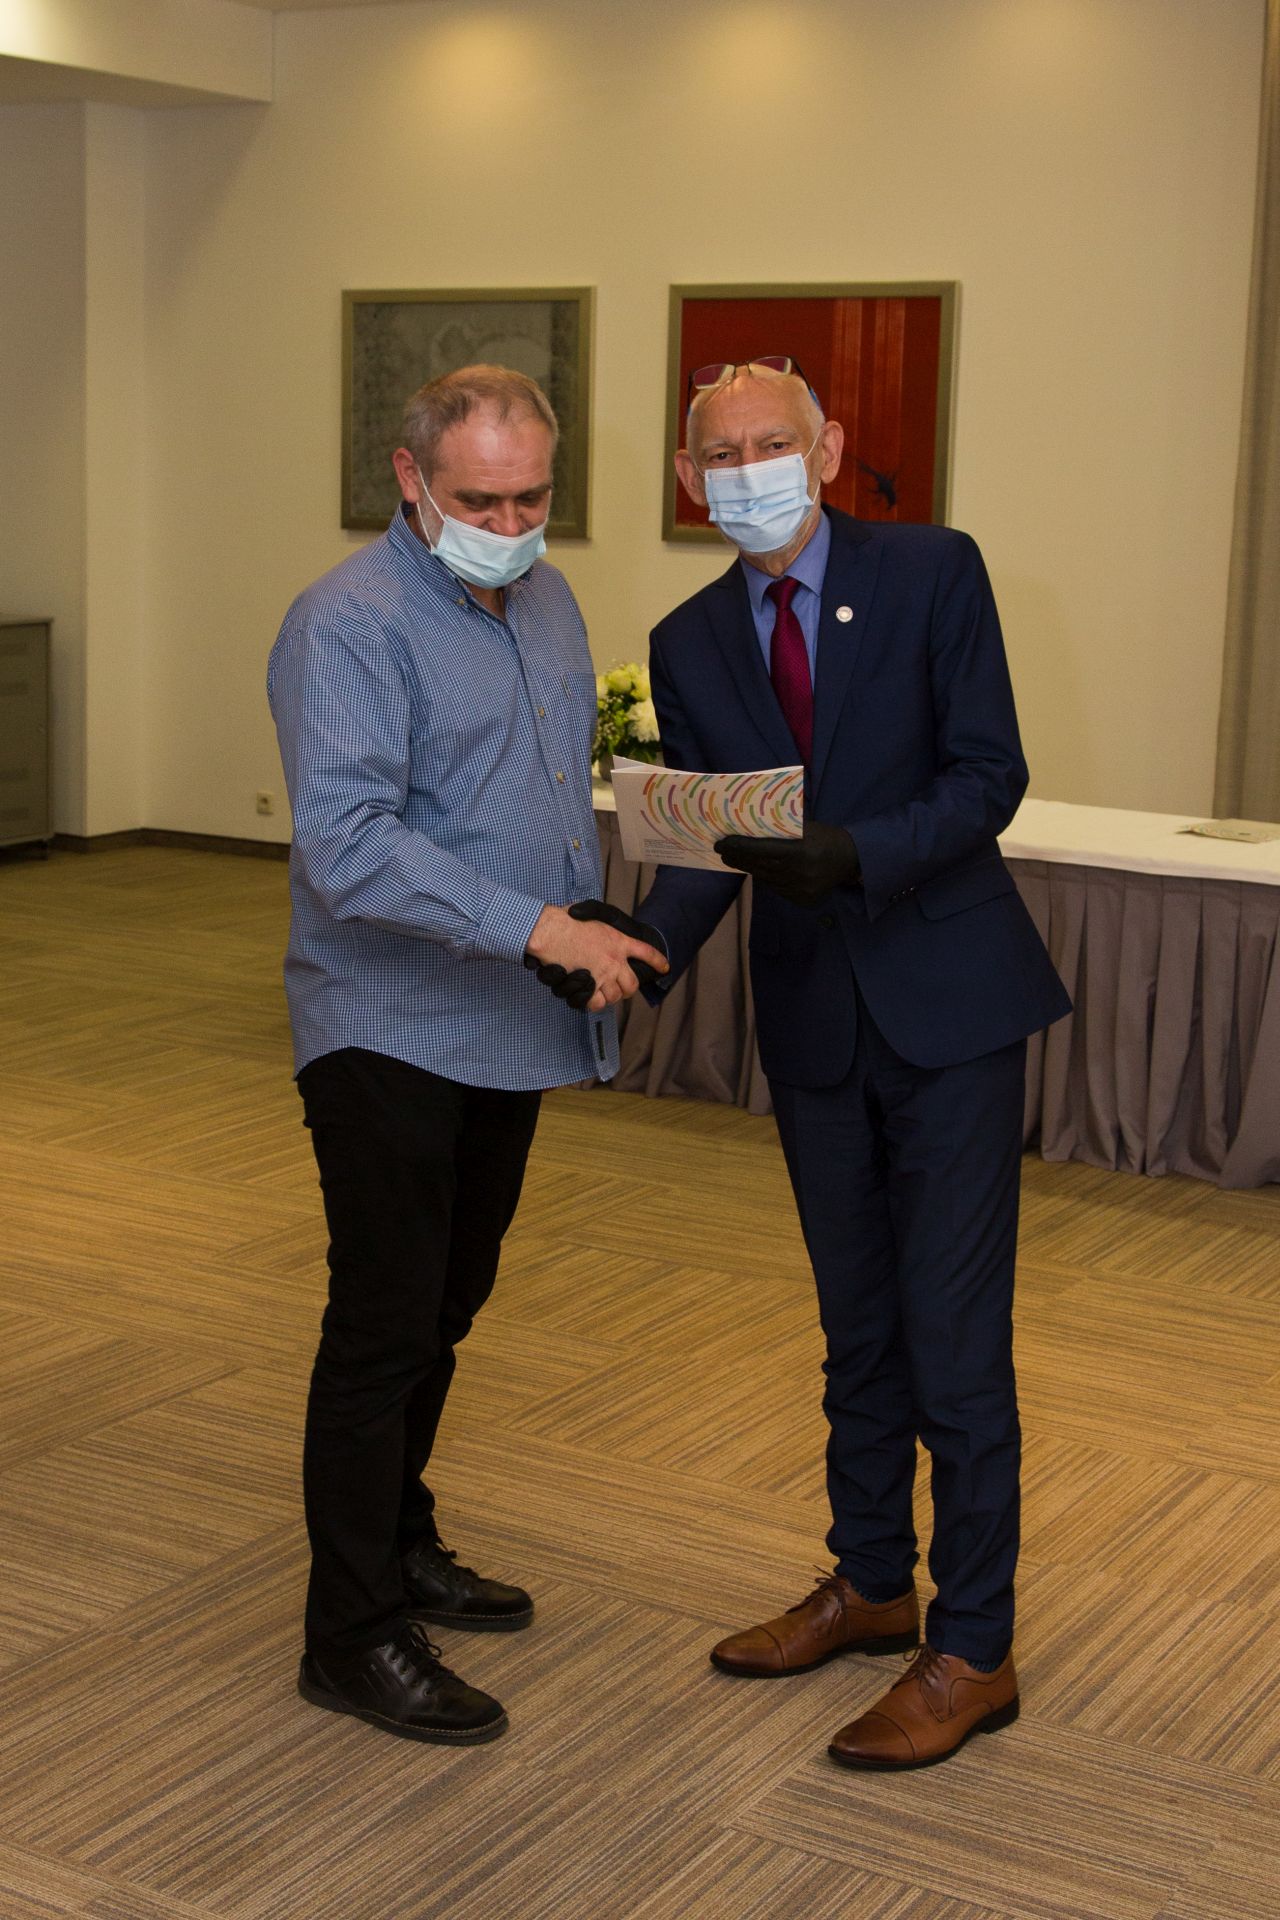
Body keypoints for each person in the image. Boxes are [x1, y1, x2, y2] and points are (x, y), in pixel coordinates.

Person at [573, 357, 1070, 1769]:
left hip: (950, 1010)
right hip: (812, 1027)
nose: (750, 471)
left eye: (772, 443)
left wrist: (860, 854)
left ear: (829, 446)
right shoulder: (686, 640)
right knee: (857, 1326)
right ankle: (870, 1582)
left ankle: (973, 1647)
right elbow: (708, 843)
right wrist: (639, 944)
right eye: (721, 454)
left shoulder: (932, 572)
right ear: (689, 479)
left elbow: (988, 776)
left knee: (952, 1342)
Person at [267, 364, 666, 1746]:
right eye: (479, 500)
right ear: (411, 479)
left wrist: (585, 910)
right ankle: (350, 1633)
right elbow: (348, 848)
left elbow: (541, 791)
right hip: (382, 1023)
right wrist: (538, 924)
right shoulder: (349, 623)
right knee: (383, 1325)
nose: (508, 524)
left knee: (449, 1302)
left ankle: (402, 1538)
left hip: (503, 1021)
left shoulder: (547, 603)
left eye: (531, 498)